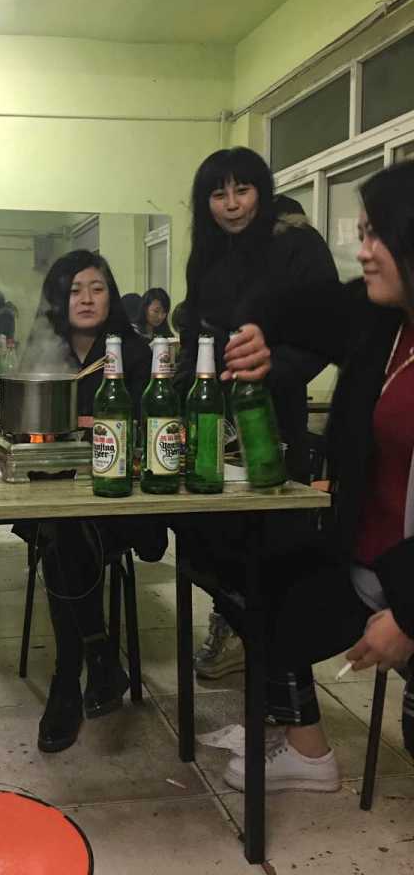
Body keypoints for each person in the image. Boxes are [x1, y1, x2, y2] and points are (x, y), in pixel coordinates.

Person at [218, 159, 414, 790]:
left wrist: (409, 615)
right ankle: (307, 753)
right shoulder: (385, 322)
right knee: (262, 583)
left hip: (407, 583)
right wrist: (260, 336)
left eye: (377, 236)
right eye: (361, 235)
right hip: (369, 564)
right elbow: (303, 306)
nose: (364, 253)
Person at [176, 147, 337, 680]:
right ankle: (234, 622)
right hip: (209, 419)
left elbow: (324, 335)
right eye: (217, 195)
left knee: (272, 548)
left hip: (273, 420)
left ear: (261, 192)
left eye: (242, 191)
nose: (231, 205)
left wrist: (271, 367)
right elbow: (194, 336)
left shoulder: (295, 244)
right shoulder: (207, 254)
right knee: (207, 536)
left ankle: (283, 680)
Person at [15, 250, 167, 754]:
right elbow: (23, 424)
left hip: (123, 502)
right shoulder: (43, 352)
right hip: (55, 498)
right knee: (62, 527)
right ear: (58, 298)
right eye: (74, 289)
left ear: (111, 295)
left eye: (97, 288)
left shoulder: (135, 355)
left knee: (64, 534)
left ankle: (70, 674)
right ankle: (97, 660)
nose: (85, 298)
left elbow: (151, 427)